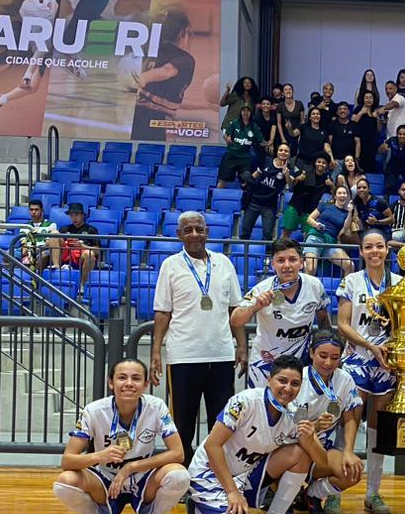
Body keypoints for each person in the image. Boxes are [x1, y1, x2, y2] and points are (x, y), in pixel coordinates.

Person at [185, 355, 329, 514]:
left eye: (295, 383)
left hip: (246, 474)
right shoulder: (245, 401)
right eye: (282, 381)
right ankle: (198, 509)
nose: (288, 388)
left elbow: (323, 461)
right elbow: (213, 446)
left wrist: (310, 438)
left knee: (300, 454)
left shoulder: (297, 412)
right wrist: (232, 492)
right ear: (269, 380)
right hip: (211, 473)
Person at [55, 358, 189, 514]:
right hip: (106, 479)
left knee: (179, 475)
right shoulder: (93, 411)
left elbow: (178, 454)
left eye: (136, 378)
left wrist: (132, 467)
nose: (128, 383)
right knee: (65, 481)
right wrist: (99, 456)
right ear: (111, 383)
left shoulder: (157, 407)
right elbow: (67, 461)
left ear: (145, 384)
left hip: (142, 477)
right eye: (122, 378)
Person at [150, 212, 243, 467]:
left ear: (207, 232)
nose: (194, 235)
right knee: (183, 422)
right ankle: (183, 475)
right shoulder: (170, 265)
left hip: (222, 354)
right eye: (188, 230)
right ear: (179, 234)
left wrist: (242, 347)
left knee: (221, 422)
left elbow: (235, 309)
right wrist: (156, 352)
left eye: (199, 229)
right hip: (184, 355)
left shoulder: (224, 263)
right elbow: (163, 312)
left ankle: (214, 475)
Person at [336, 229, 401, 514]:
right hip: (357, 360)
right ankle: (333, 491)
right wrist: (369, 347)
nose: (374, 251)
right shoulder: (351, 281)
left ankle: (373, 492)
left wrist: (390, 348)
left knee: (379, 427)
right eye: (368, 247)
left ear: (388, 249)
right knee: (347, 422)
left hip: (386, 363)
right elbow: (343, 324)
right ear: (361, 252)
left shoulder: (400, 284)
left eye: (380, 246)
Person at [231, 237, 329, 388]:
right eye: (281, 260)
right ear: (273, 264)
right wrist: (255, 306)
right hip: (265, 363)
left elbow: (324, 321)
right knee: (262, 409)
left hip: (299, 362)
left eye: (292, 259)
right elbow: (235, 320)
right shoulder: (262, 290)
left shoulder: (314, 285)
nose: (287, 265)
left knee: (297, 410)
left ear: (301, 262)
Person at [294, 329, 366, 514]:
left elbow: (351, 416)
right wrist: (315, 427)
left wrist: (349, 451)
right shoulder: (298, 380)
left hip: (322, 449)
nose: (328, 363)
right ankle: (283, 498)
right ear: (311, 353)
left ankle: (312, 495)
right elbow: (293, 428)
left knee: (352, 471)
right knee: (290, 460)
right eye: (323, 356)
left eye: (334, 357)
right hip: (292, 448)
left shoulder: (344, 379)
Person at [0, 0, 59, 122]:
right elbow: (1, 8)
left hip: (47, 47)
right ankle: (23, 78)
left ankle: (0, 100)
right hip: (32, 47)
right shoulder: (23, 2)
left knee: (32, 88)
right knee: (31, 83)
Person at [131, 10, 195, 141]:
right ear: (182, 33)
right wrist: (144, 78)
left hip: (137, 112)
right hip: (156, 118)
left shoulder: (153, 51)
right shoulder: (185, 59)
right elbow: (166, 71)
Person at [240, 142, 301, 242]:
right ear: (277, 152)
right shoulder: (266, 161)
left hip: (269, 206)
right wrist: (247, 183)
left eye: (286, 151)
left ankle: (266, 257)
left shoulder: (290, 168)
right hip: (253, 202)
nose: (283, 153)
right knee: (245, 232)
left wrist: (286, 174)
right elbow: (254, 177)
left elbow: (290, 186)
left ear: (289, 154)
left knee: (268, 235)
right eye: (281, 150)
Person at [304, 183, 357, 276]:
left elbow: (345, 228)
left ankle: (344, 289)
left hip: (331, 242)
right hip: (315, 237)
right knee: (311, 268)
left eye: (344, 193)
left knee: (350, 265)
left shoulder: (347, 213)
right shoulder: (324, 205)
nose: (342, 195)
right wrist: (316, 224)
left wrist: (350, 212)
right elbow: (309, 219)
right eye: (339, 193)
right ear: (335, 196)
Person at [285, 154, 333, 236]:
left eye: (323, 163)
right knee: (285, 234)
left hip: (310, 212)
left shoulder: (327, 179)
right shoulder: (304, 171)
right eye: (319, 162)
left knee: (309, 236)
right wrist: (298, 179)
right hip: (295, 206)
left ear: (327, 165)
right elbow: (291, 185)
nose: (321, 164)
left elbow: (334, 193)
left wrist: (332, 185)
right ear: (315, 163)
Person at [217, 104, 259, 188]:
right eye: (244, 110)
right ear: (240, 112)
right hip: (231, 155)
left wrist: (269, 144)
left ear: (251, 113)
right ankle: (218, 196)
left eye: (248, 111)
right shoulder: (235, 123)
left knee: (246, 181)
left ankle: (245, 199)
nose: (245, 113)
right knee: (222, 180)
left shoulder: (254, 126)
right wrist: (227, 138)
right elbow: (226, 135)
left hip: (245, 157)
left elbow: (261, 140)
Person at [18, 198, 60, 271]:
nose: (33, 212)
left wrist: (36, 249)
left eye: (36, 209)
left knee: (43, 256)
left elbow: (49, 242)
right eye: (31, 210)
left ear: (42, 210)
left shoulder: (51, 225)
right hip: (28, 249)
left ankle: (35, 279)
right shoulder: (25, 226)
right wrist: (26, 248)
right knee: (7, 254)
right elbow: (23, 240)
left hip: (42, 249)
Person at [348, 177, 394, 243]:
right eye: (359, 188)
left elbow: (391, 219)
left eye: (364, 187)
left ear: (369, 189)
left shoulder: (379, 202)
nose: (361, 189)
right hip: (367, 232)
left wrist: (377, 221)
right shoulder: (357, 202)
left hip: (382, 232)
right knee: (347, 234)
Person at [379, 123, 405, 194]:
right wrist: (382, 148)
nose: (402, 136)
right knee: (390, 185)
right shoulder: (392, 140)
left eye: (404, 134)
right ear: (397, 134)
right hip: (394, 165)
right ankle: (388, 201)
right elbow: (380, 151)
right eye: (400, 134)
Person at [352, 90, 382, 172]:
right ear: (363, 99)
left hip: (371, 143)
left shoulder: (375, 111)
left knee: (371, 167)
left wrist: (377, 118)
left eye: (370, 98)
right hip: (360, 142)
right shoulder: (358, 109)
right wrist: (361, 113)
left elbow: (379, 130)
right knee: (359, 167)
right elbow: (352, 123)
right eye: (367, 98)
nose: (369, 100)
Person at [295, 106, 332, 171]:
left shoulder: (324, 131)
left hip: (316, 162)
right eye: (313, 114)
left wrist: (332, 159)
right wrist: (289, 128)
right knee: (299, 179)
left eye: (317, 114)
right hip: (302, 160)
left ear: (320, 117)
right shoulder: (304, 127)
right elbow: (293, 134)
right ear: (309, 117)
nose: (316, 115)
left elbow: (327, 147)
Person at [275, 83, 305, 155]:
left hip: (297, 133)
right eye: (285, 90)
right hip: (285, 134)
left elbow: (302, 121)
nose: (288, 91)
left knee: (295, 155)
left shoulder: (299, 104)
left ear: (293, 92)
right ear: (282, 93)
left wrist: (301, 135)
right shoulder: (280, 106)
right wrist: (282, 138)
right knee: (284, 155)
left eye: (290, 89)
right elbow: (278, 123)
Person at [329, 102, 360, 166]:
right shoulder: (332, 124)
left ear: (348, 112)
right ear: (337, 112)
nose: (342, 111)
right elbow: (329, 142)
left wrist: (356, 159)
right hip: (335, 160)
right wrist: (330, 159)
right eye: (340, 109)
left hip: (350, 160)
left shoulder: (354, 125)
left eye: (345, 109)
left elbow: (357, 143)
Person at [252, 96, 279, 161]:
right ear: (261, 105)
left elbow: (274, 127)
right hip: (260, 141)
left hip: (271, 140)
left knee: (274, 153)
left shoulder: (274, 115)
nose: (265, 106)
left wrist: (271, 142)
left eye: (268, 104)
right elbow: (257, 132)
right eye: (263, 104)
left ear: (271, 106)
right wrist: (266, 144)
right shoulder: (257, 117)